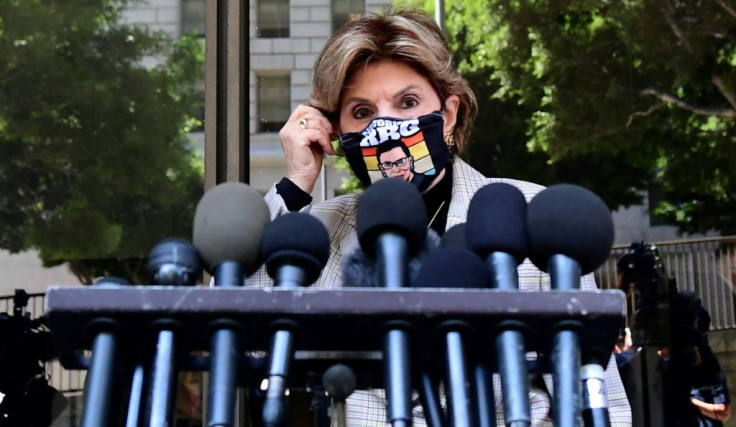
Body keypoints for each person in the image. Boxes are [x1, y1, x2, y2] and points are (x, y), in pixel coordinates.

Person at [249, 7, 632, 425]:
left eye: (408, 102)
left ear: (448, 114)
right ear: (337, 133)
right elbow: (248, 341)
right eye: (362, 112)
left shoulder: (531, 219)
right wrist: (296, 183)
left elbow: (599, 404)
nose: (386, 126)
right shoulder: (321, 231)